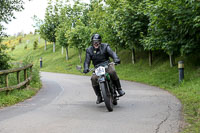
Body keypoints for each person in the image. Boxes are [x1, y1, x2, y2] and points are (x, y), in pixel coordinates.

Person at [83, 34, 125, 104]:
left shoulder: (105, 46)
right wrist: (86, 68)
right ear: (92, 42)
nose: (96, 43)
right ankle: (99, 96)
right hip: (97, 68)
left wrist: (116, 59)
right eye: (94, 42)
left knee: (112, 72)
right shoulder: (89, 50)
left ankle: (119, 89)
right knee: (93, 78)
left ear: (100, 42)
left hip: (106, 65)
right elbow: (87, 61)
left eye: (98, 41)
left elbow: (112, 53)